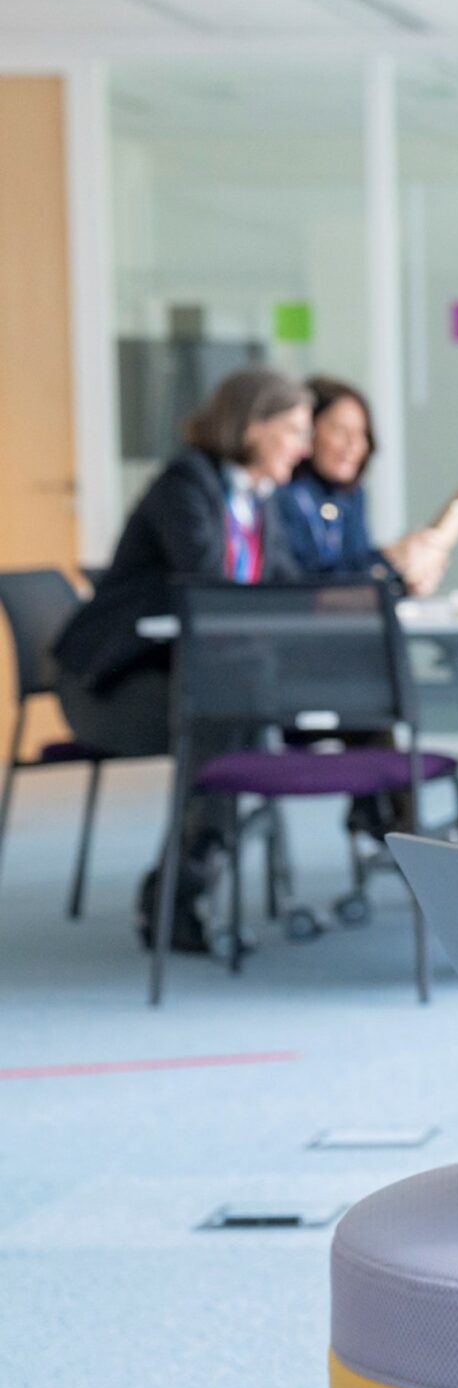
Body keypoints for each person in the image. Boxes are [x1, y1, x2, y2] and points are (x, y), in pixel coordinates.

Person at [51, 365, 311, 952]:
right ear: (252, 425)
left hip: (194, 680)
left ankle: (183, 887)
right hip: (109, 687)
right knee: (225, 716)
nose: (304, 447)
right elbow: (208, 584)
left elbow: (289, 586)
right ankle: (183, 889)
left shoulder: (257, 501)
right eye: (293, 430)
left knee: (233, 709)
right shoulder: (185, 485)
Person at [276, 376, 448, 595]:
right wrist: (388, 558)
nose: (353, 445)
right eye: (340, 431)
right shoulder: (282, 495)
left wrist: (403, 580)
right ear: (308, 430)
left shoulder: (351, 496)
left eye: (361, 434)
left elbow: (355, 576)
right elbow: (304, 584)